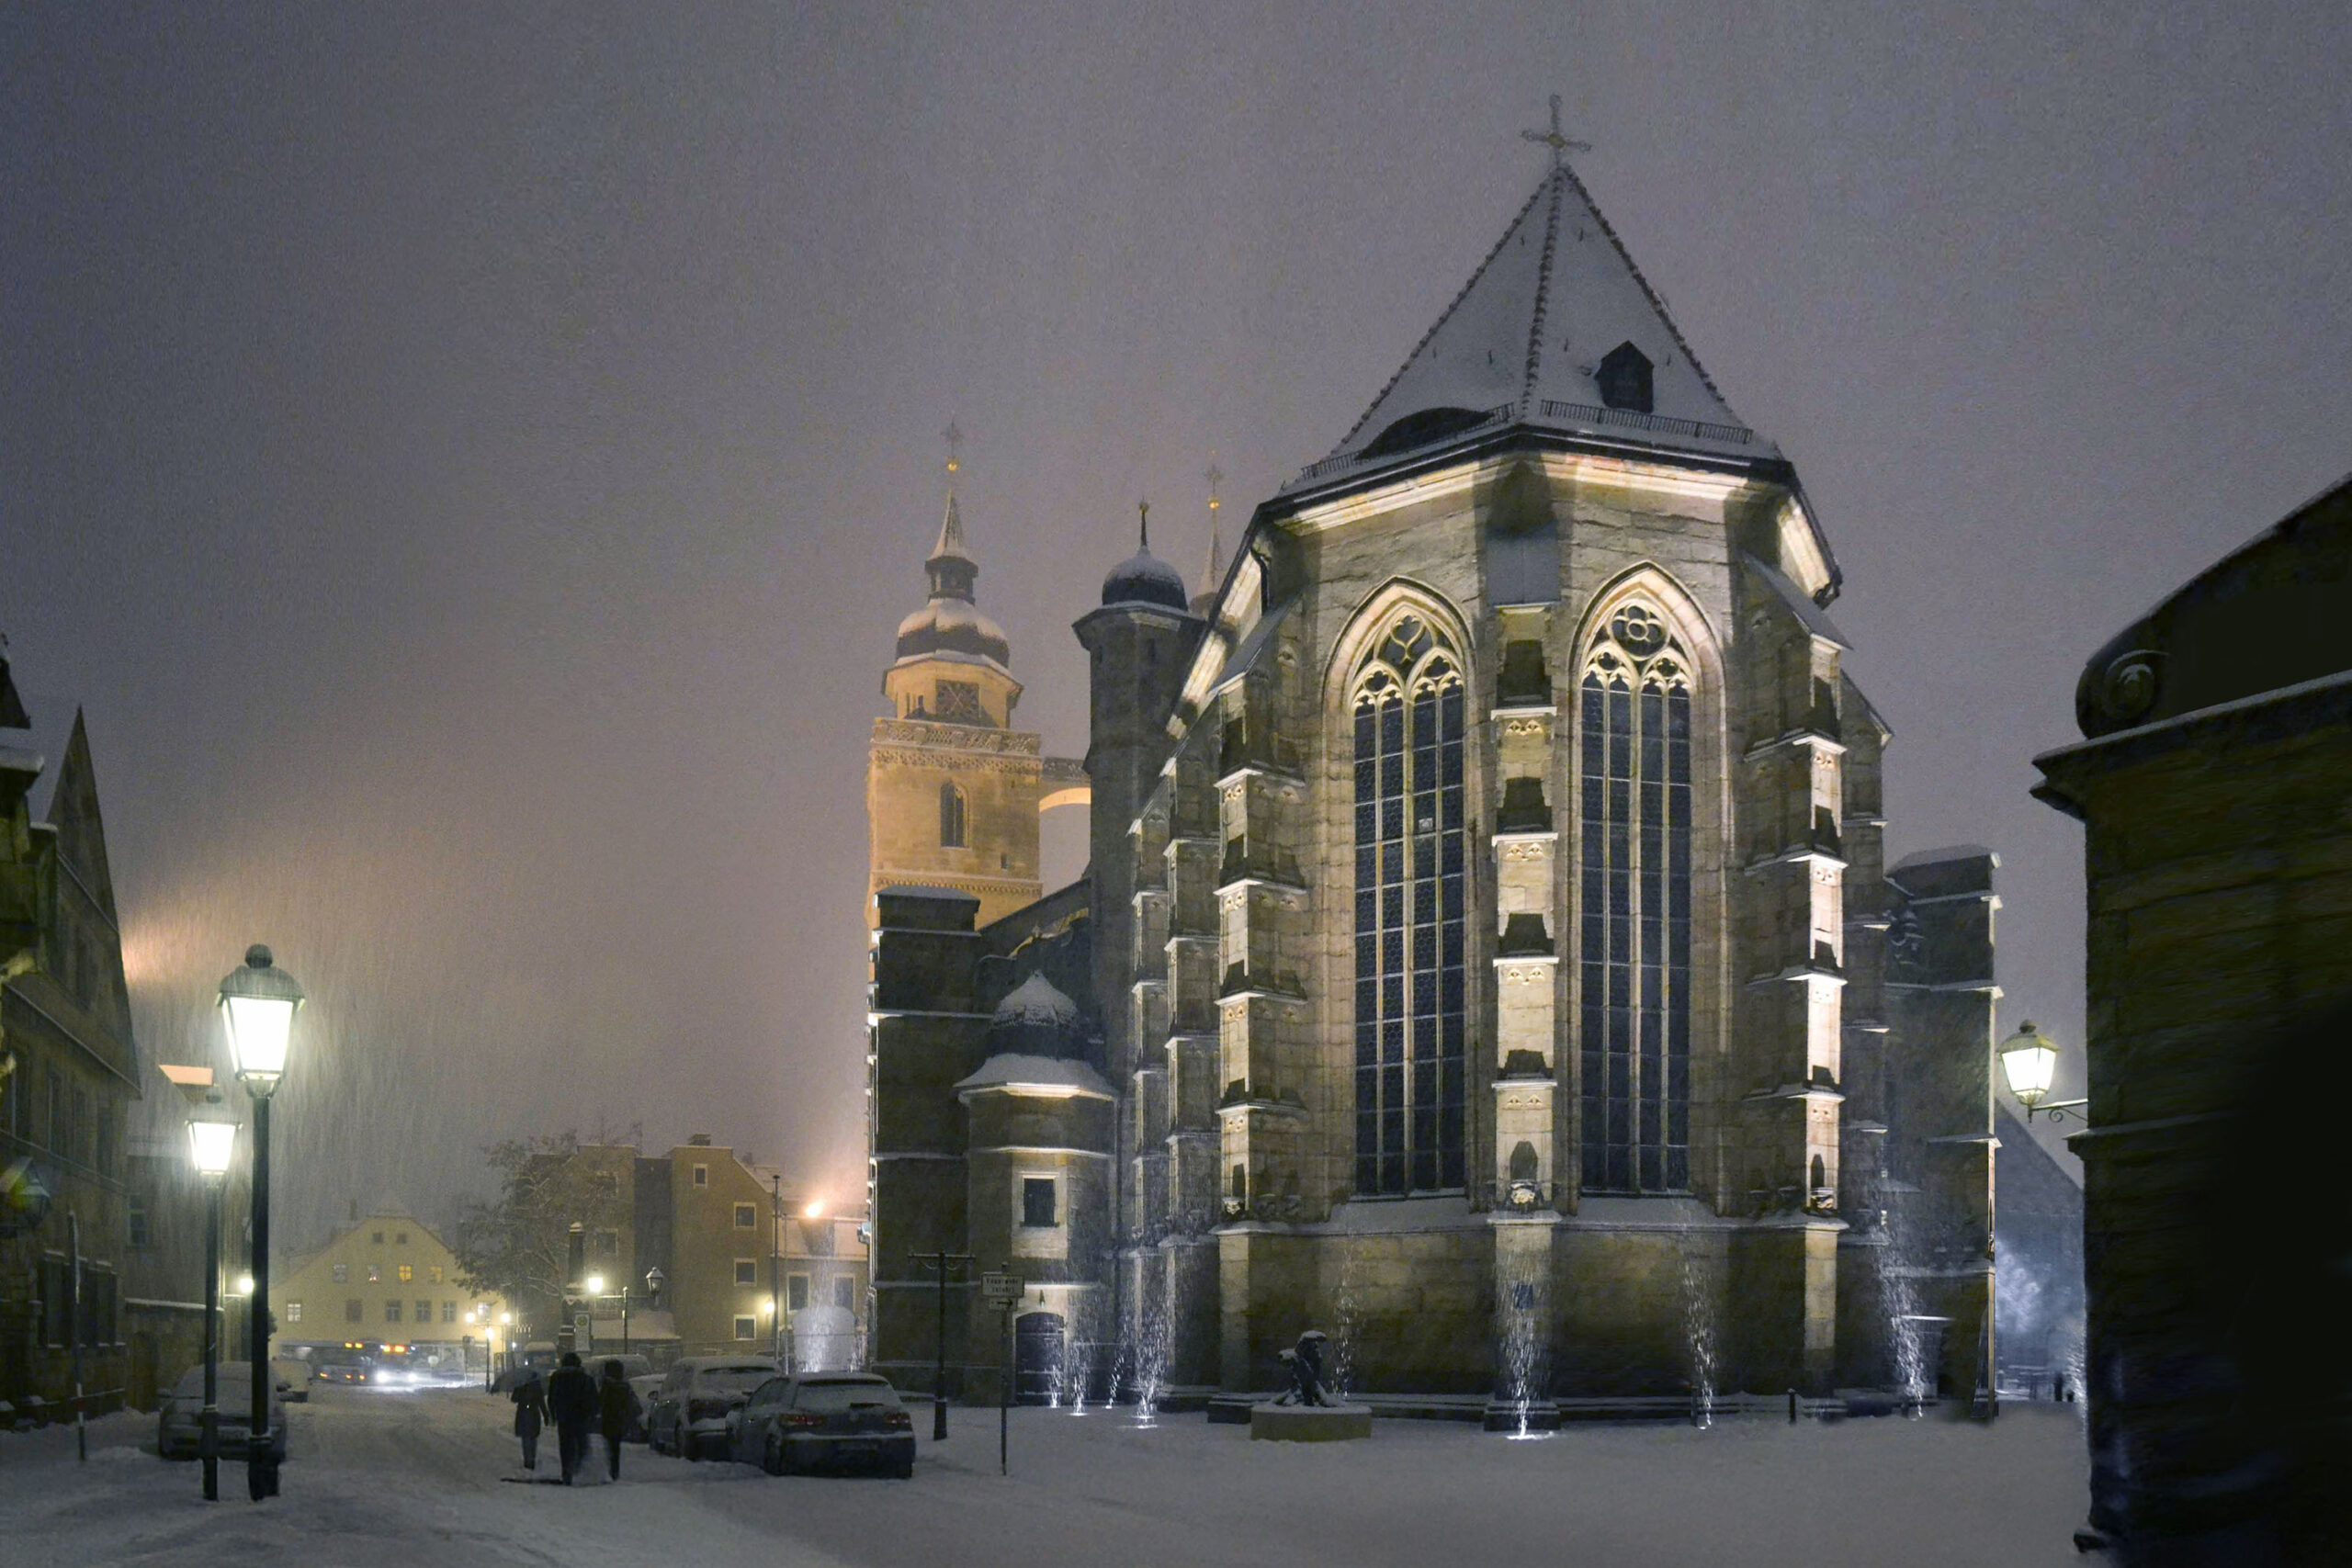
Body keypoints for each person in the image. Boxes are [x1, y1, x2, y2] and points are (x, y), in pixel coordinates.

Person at [544, 1351, 597, 1484]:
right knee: (581, 1442)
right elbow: (593, 1397)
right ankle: (580, 1470)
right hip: (580, 1415)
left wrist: (553, 1413)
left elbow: (552, 1397)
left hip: (564, 1415)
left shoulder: (557, 1377)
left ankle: (566, 1472)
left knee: (565, 1444)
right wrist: (591, 1413)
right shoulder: (585, 1377)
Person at [597, 1359, 641, 1481]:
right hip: (620, 1419)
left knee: (610, 1446)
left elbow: (601, 1402)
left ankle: (611, 1470)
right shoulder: (625, 1386)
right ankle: (615, 1471)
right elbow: (630, 1403)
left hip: (608, 1419)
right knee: (615, 1447)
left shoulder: (606, 1385)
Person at [508, 1365, 548, 1472]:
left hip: (522, 1413)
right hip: (534, 1413)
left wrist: (519, 1391)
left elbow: (514, 1399)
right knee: (533, 1437)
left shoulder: (520, 1385)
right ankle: (532, 1460)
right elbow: (541, 1402)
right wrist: (546, 1415)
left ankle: (528, 1460)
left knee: (526, 1438)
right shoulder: (537, 1385)